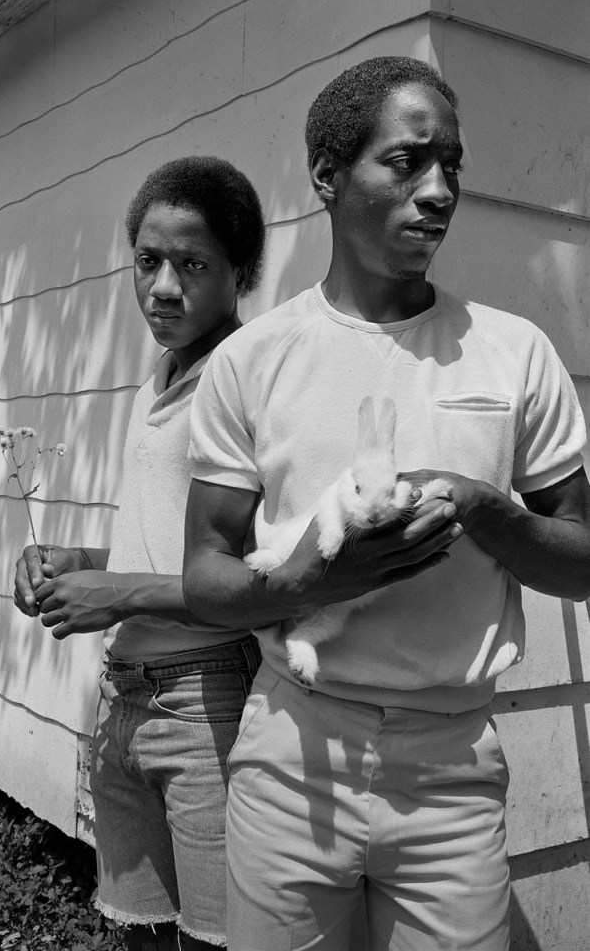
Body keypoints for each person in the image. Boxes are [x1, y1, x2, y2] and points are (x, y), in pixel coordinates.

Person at [181, 56, 590, 951]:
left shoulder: (512, 354)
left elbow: (583, 560)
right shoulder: (253, 362)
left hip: (451, 769)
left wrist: (492, 513)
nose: (438, 190)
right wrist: (310, 580)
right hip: (293, 750)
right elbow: (207, 581)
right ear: (328, 176)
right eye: (407, 162)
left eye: (451, 165)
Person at [13, 156, 265, 951]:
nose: (162, 287)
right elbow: (160, 540)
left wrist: (117, 594)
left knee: (215, 941)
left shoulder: (250, 384)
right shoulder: (160, 376)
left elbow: (263, 581)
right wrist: (78, 560)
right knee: (139, 933)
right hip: (123, 699)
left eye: (191, 264)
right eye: (148, 261)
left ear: (241, 272)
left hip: (207, 700)